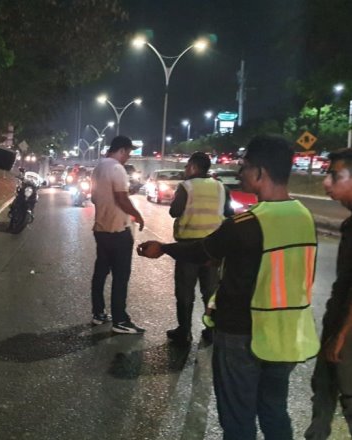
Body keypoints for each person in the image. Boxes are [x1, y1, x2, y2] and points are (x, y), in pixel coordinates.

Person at [138, 134, 320, 439]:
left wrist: (164, 248)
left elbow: (201, 251)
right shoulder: (305, 217)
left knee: (238, 420)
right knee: (275, 412)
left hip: (242, 334)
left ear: (260, 173)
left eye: (245, 166)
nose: (239, 173)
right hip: (287, 334)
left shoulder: (246, 224)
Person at [305, 148, 352, 439]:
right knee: (322, 389)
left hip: (347, 330)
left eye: (334, 175)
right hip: (338, 323)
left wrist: (344, 335)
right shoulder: (348, 225)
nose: (326, 182)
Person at [167, 152, 233, 345]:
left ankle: (184, 332)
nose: (186, 170)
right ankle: (211, 330)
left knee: (185, 291)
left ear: (194, 167)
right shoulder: (221, 187)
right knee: (211, 290)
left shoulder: (186, 187)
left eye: (187, 166)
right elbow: (228, 212)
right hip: (214, 247)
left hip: (189, 247)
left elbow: (175, 211)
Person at [89, 135, 145, 334]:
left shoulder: (98, 168)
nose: (128, 157)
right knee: (121, 277)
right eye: (128, 152)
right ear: (121, 150)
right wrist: (137, 215)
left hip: (101, 229)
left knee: (101, 273)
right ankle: (120, 321)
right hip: (118, 231)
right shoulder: (117, 168)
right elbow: (121, 198)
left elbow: (95, 198)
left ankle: (98, 313)